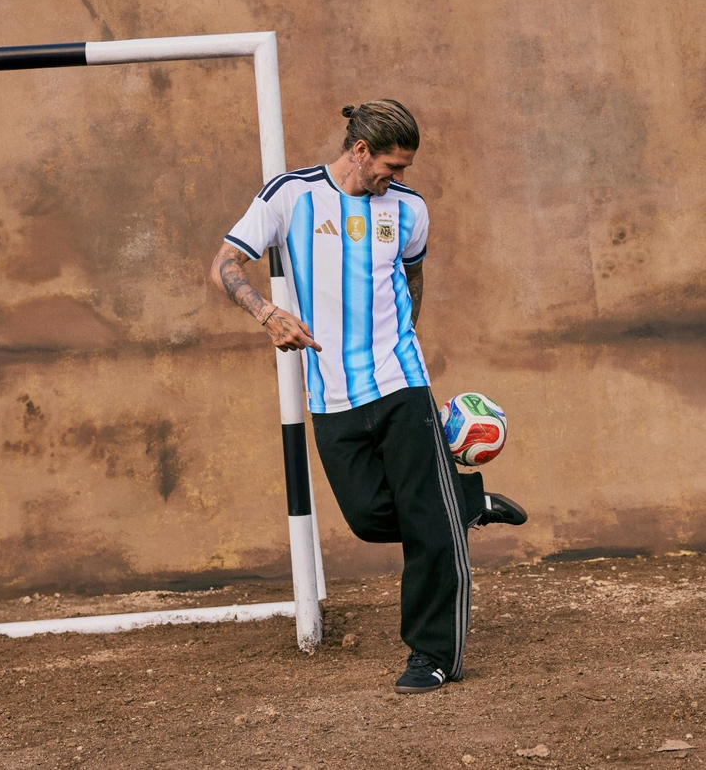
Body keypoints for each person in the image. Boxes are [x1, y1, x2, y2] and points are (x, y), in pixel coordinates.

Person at [210, 99, 527, 693]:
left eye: (404, 168)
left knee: (428, 529)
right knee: (367, 517)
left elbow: (413, 274)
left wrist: (406, 344)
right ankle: (466, 502)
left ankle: (433, 655)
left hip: (400, 383)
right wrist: (267, 314)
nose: (398, 177)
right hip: (330, 392)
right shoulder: (291, 195)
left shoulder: (409, 209)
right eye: (391, 165)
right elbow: (226, 263)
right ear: (360, 151)